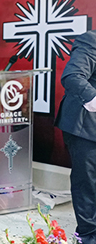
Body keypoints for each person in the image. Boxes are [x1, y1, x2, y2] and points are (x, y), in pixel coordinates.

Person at [55, 30, 96, 244]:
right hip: (85, 125)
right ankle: (88, 235)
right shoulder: (91, 39)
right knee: (87, 183)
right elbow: (73, 76)